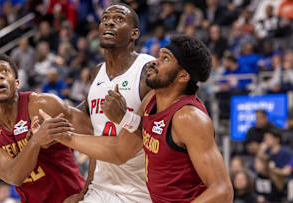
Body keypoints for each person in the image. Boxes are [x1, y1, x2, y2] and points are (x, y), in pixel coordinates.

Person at [40, 35, 233, 202]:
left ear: (182, 76)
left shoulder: (189, 117)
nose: (155, 61)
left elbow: (222, 191)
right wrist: (63, 135)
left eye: (165, 58)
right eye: (159, 55)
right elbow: (120, 149)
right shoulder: (152, 99)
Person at [0, 53, 93, 203]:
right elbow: (14, 176)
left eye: (5, 71)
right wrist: (35, 142)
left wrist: (88, 188)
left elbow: (95, 133)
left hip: (72, 197)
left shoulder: (43, 105)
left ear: (17, 83)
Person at [63, 3, 155, 203]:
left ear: (134, 34)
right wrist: (86, 189)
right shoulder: (96, 73)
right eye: (105, 19)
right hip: (101, 188)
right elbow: (95, 135)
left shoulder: (148, 69)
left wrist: (124, 117)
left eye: (119, 19)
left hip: (141, 191)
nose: (109, 23)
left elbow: (159, 131)